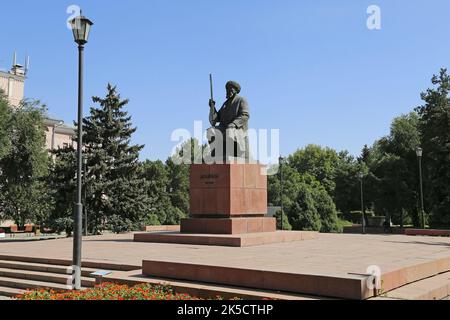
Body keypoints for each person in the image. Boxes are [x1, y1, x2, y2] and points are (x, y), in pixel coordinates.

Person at [207, 81, 250, 163]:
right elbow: (216, 119)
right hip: (224, 128)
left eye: (230, 89)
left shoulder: (241, 100)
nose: (228, 91)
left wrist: (234, 124)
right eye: (227, 89)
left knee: (229, 131)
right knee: (211, 131)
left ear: (235, 90)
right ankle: (216, 153)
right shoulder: (225, 104)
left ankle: (233, 153)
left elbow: (245, 115)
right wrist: (212, 107)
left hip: (237, 129)